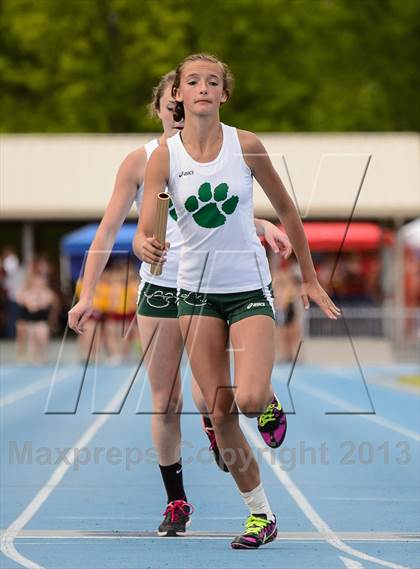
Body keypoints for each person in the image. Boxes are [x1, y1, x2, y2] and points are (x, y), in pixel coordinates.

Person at [68, 70, 292, 538]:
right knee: (166, 399)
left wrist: (260, 225)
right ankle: (176, 500)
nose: (185, 102)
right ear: (164, 105)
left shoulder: (223, 149)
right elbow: (108, 229)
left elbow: (220, 210)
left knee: (211, 397)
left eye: (197, 91)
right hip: (160, 289)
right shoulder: (144, 159)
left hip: (210, 286)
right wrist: (86, 294)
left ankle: (240, 412)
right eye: (177, 95)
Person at [134, 53, 340, 549]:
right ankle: (260, 515)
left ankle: (267, 401)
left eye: (212, 82)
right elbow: (146, 228)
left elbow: (288, 210)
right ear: (178, 95)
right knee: (221, 412)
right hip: (194, 295)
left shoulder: (245, 146)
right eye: (192, 81)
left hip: (248, 290)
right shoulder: (163, 157)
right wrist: (145, 243)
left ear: (224, 94)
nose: (202, 88)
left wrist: (309, 279)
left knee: (247, 399)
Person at [16, 272, 55, 364]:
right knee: (29, 329)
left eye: (41, 283)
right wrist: (32, 301)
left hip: (40, 320)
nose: (38, 285)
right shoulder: (25, 292)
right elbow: (25, 303)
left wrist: (37, 300)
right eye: (36, 282)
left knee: (41, 330)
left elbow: (47, 303)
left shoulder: (48, 293)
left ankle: (41, 354)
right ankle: (27, 354)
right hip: (27, 319)